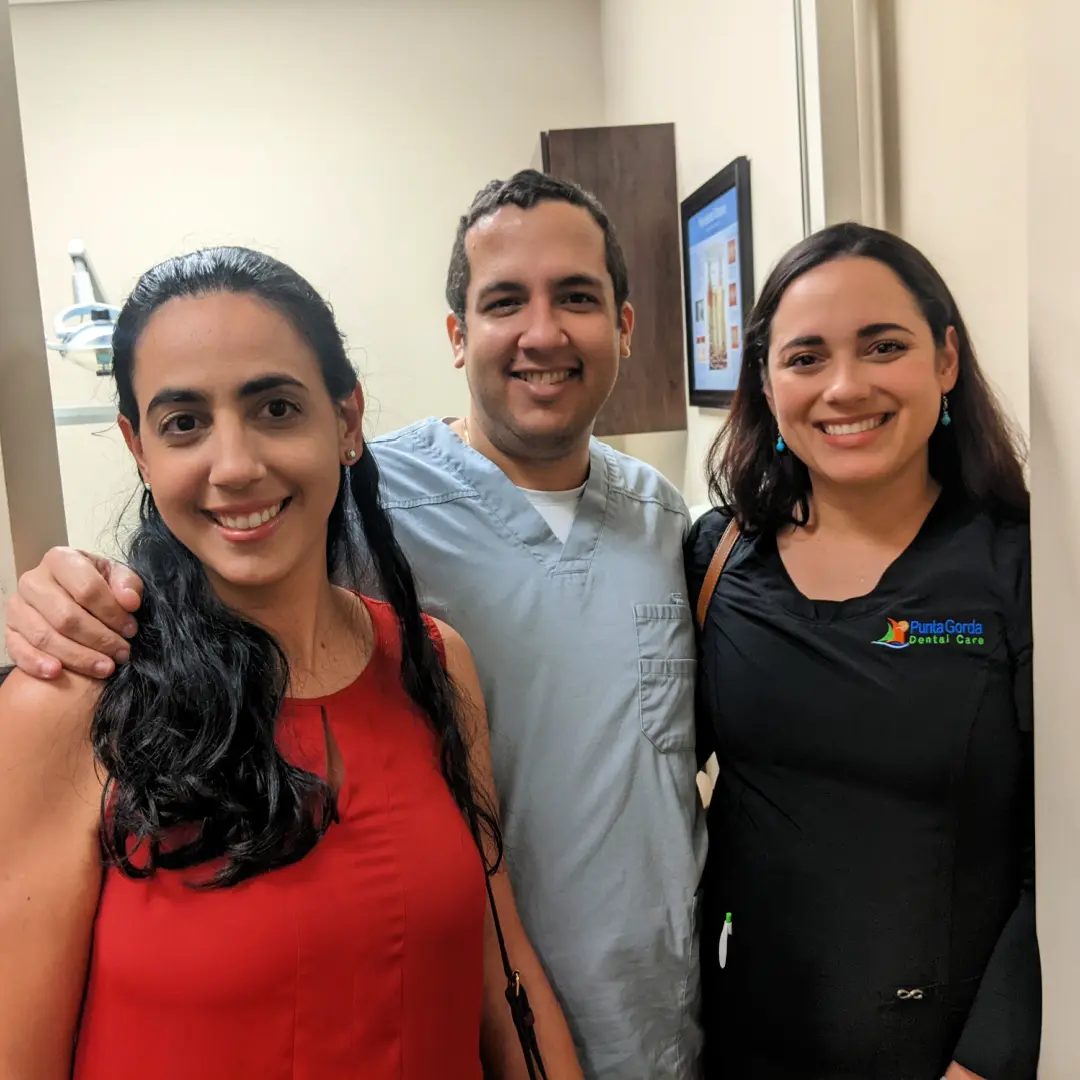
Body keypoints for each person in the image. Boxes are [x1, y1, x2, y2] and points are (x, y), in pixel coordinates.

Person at [3, 172, 704, 1079]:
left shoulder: (436, 660)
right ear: (138, 445)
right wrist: (62, 588)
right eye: (184, 422)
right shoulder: (73, 705)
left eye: (275, 407)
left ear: (346, 421)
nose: (235, 463)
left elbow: (502, 966)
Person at [688, 223, 1039, 1079]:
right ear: (767, 384)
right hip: (739, 1040)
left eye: (883, 346)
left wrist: (988, 1061)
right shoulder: (718, 559)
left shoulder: (1024, 567)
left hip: (945, 1055)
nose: (845, 387)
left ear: (945, 360)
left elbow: (1059, 855)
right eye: (805, 357)